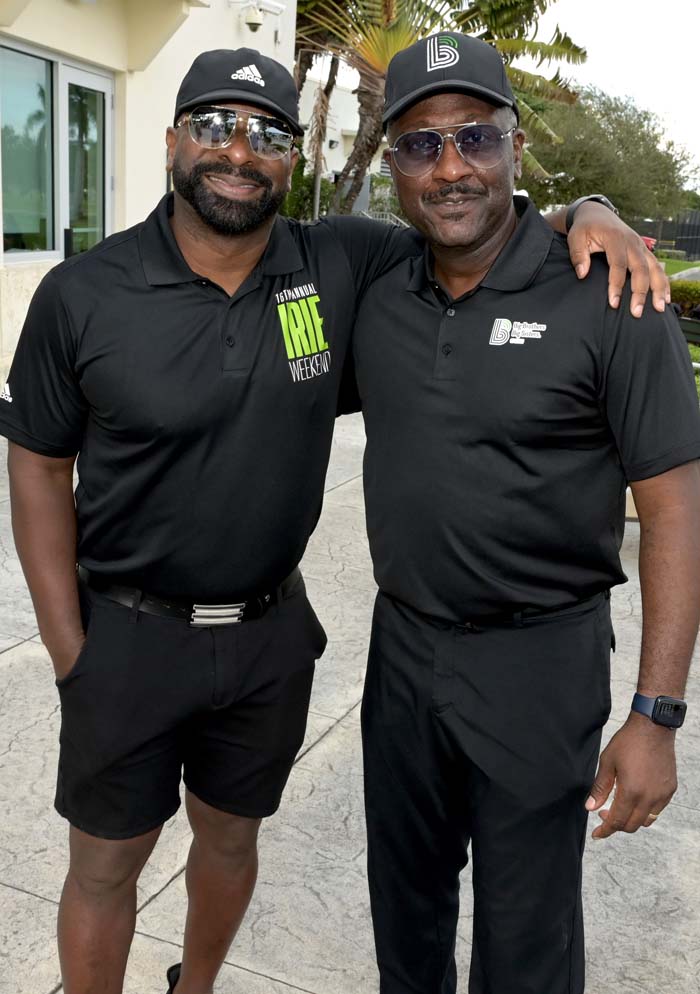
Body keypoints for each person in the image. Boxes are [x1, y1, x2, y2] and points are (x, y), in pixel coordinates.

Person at [0, 45, 674, 994]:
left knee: (233, 845)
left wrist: (590, 212)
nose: (239, 150)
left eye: (269, 133)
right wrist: (72, 649)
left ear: (295, 158)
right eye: (215, 125)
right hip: (130, 635)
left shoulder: (339, 261)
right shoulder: (85, 292)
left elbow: (483, 224)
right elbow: (35, 461)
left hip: (273, 639)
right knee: (108, 866)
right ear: (170, 142)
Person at [349, 33, 700, 994]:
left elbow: (676, 509)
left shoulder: (610, 295)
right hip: (404, 652)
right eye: (422, 145)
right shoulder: (380, 285)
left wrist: (657, 715)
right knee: (405, 915)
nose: (451, 166)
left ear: (515, 148)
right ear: (392, 165)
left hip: (540, 661)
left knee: (528, 940)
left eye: (476, 138)